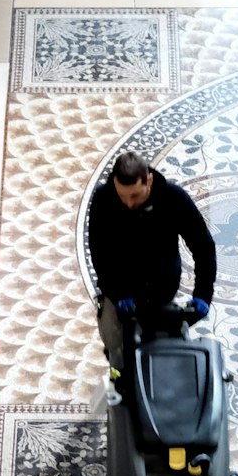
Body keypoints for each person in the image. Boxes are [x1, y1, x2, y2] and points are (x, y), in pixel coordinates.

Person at [85, 150, 217, 370]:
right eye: (123, 196)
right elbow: (99, 252)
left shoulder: (173, 199)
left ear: (149, 180)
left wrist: (203, 294)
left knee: (169, 350)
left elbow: (203, 246)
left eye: (135, 196)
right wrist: (117, 293)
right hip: (121, 291)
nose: (128, 203)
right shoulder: (103, 199)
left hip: (161, 288)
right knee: (118, 352)